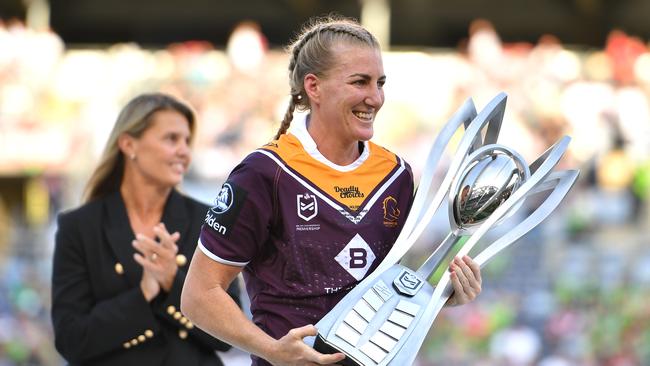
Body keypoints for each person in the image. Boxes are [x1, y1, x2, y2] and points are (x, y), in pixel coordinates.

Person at [181, 16, 482, 366]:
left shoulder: (396, 175)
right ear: (314, 87)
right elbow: (199, 295)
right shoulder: (265, 173)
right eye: (360, 82)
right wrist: (271, 350)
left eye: (380, 83)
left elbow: (402, 286)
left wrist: (445, 293)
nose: (375, 98)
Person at [51, 93, 240, 366]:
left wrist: (172, 282)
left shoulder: (208, 220)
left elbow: (227, 336)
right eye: (171, 139)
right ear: (129, 144)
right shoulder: (79, 227)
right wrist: (143, 295)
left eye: (187, 141)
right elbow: (70, 340)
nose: (184, 151)